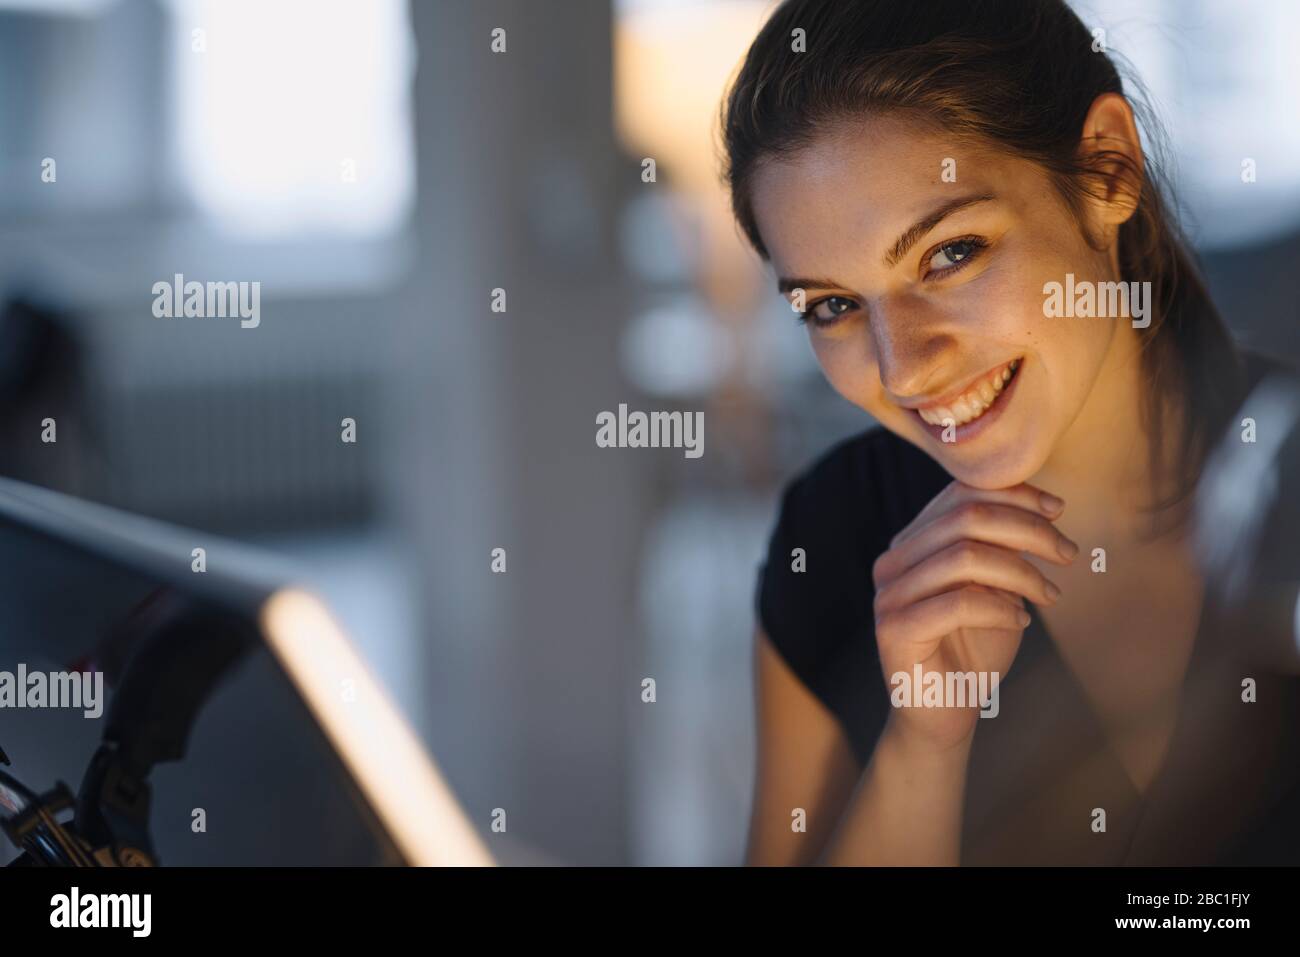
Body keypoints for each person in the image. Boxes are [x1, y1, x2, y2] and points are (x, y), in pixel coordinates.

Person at [721, 0, 1300, 865]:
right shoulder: (836, 536)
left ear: (1108, 167)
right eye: (834, 306)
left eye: (950, 254)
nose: (905, 367)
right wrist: (923, 750)